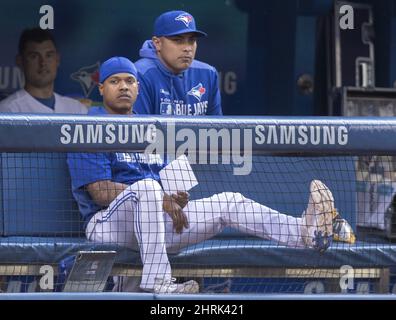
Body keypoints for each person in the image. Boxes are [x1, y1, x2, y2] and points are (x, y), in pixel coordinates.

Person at [67, 57, 337, 294]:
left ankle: (303, 233)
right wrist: (160, 198)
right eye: (115, 81)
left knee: (229, 201)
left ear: (138, 88)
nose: (124, 86)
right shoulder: (91, 125)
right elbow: (100, 192)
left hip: (153, 226)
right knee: (147, 188)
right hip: (107, 226)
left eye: (130, 81)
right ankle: (160, 281)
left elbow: (169, 183)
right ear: (101, 88)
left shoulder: (148, 127)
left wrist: (176, 198)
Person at [133, 10, 222, 116]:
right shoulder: (141, 74)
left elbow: (217, 129)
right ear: (157, 43)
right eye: (177, 40)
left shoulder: (208, 73)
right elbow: (139, 129)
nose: (187, 48)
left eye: (192, 40)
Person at [0, 28, 87, 114]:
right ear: (20, 61)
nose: (43, 63)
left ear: (57, 59)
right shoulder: (8, 110)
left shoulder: (77, 109)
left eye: (48, 55)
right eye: (34, 56)